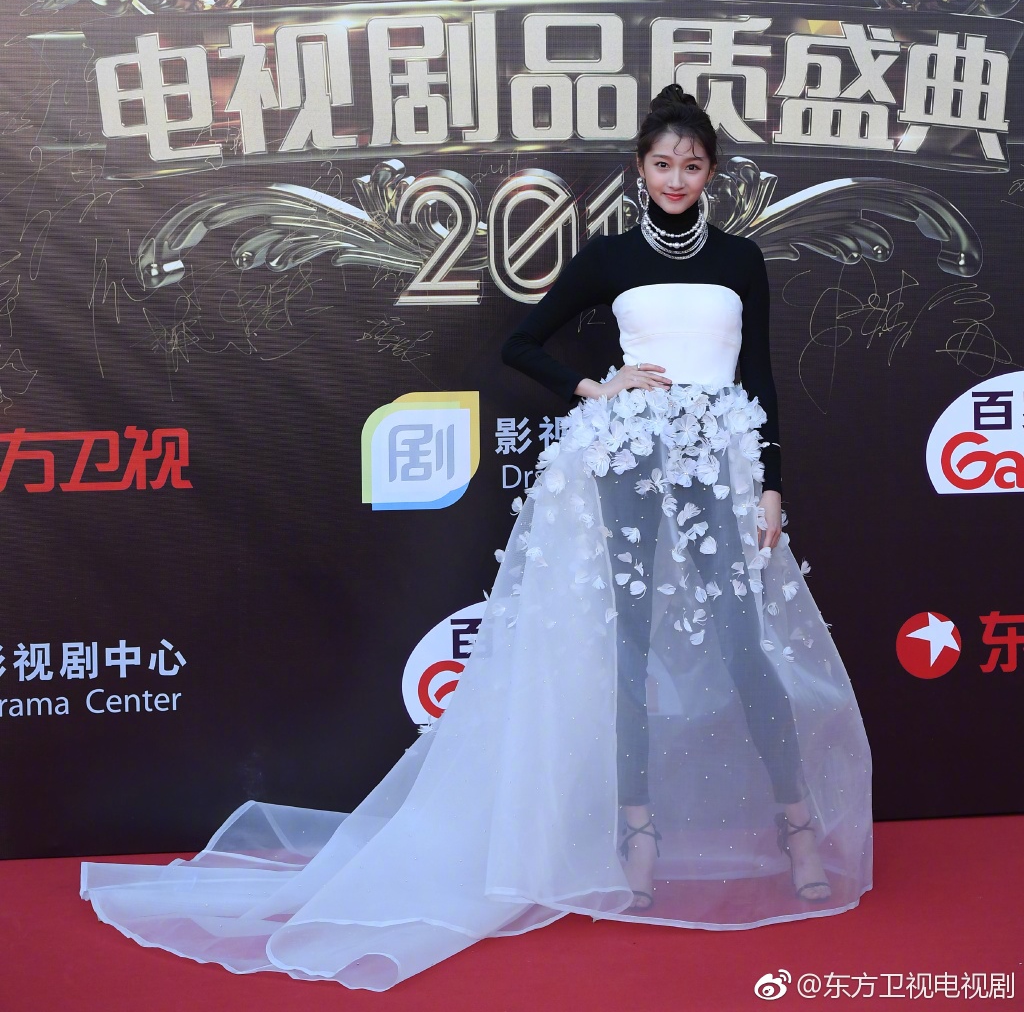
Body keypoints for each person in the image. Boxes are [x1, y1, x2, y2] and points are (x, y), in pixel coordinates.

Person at [81, 87, 872, 990]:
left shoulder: (741, 259)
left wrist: (770, 482)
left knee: (742, 641)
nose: (677, 179)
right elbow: (523, 343)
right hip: (627, 459)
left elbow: (760, 375)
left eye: (692, 166)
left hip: (715, 463)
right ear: (640, 169)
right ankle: (637, 831)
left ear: (712, 172)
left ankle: (795, 824)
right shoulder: (610, 256)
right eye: (662, 164)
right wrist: (598, 389)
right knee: (630, 646)